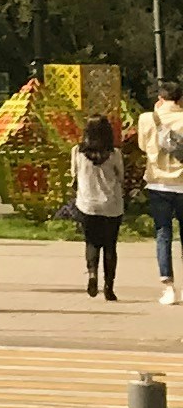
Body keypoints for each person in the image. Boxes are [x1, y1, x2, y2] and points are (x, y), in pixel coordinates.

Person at [137, 80, 183, 306]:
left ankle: (168, 288)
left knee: (163, 234)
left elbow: (143, 147)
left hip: (158, 184)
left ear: (161, 98)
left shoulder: (147, 119)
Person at [76, 113, 128, 301]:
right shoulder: (114, 154)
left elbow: (74, 175)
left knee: (91, 242)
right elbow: (120, 177)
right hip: (111, 205)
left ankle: (92, 274)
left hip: (87, 204)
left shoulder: (77, 152)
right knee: (110, 246)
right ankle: (109, 287)